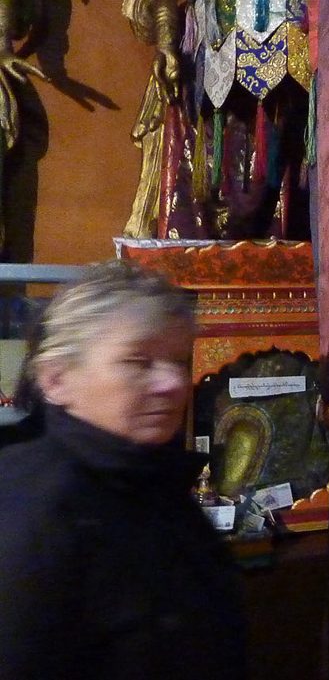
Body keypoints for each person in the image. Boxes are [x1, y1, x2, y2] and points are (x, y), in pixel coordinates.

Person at [0, 261, 247, 679]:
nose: (172, 383)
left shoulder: (152, 481)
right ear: (56, 379)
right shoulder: (35, 509)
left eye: (177, 361)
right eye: (138, 361)